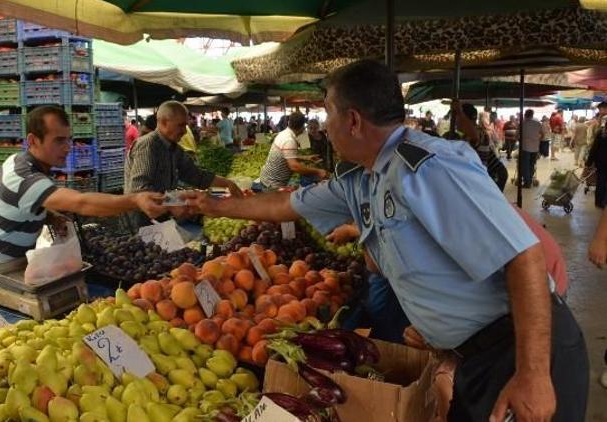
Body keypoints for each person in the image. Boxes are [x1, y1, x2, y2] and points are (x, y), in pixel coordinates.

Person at [182, 60, 588, 422]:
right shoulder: (364, 178)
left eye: (328, 114)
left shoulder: (427, 169)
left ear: (354, 121)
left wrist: (533, 375)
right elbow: (285, 205)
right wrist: (212, 207)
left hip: (523, 353)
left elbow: (525, 256)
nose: (323, 127)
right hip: (476, 357)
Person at [0, 106, 167, 288]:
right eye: (58, 140)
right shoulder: (23, 176)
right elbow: (80, 202)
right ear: (33, 141)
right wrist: (134, 200)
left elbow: (25, 204)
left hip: (12, 268)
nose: (67, 147)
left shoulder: (24, 163)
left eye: (67, 139)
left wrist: (51, 216)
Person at [124, 101, 242, 229]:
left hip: (161, 216)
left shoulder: (174, 149)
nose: (185, 131)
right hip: (143, 220)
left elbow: (195, 175)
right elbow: (140, 191)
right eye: (181, 125)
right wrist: (174, 201)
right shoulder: (148, 146)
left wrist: (228, 183)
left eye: (186, 125)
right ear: (164, 122)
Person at [256, 112, 328, 190]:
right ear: (303, 127)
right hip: (272, 185)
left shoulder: (284, 134)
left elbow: (286, 155)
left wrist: (306, 158)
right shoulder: (289, 140)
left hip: (267, 180)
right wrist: (318, 171)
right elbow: (294, 166)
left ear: (289, 123)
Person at [452, 102, 508, 192]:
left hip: (495, 174)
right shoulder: (466, 136)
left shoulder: (479, 132)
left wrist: (459, 111)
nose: (455, 122)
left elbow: (475, 136)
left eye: (457, 118)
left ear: (465, 119)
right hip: (489, 174)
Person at [518, 109, 544, 188]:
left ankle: (527, 182)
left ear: (525, 114)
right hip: (535, 147)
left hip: (525, 147)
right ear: (532, 114)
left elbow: (516, 136)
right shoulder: (537, 123)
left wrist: (521, 139)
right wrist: (537, 139)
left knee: (525, 165)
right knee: (532, 164)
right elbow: (542, 134)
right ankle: (530, 179)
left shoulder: (522, 123)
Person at [586, 120, 607, 209]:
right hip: (602, 162)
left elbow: (594, 148)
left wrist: (589, 162)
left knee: (601, 181)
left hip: (601, 162)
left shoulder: (600, 134)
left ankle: (599, 202)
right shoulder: (600, 133)